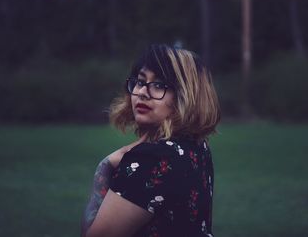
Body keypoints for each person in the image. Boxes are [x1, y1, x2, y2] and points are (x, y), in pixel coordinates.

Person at [81, 44, 221, 237]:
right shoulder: (197, 147)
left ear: (185, 95)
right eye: (140, 82)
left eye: (159, 85)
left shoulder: (151, 158)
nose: (142, 93)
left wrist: (104, 166)